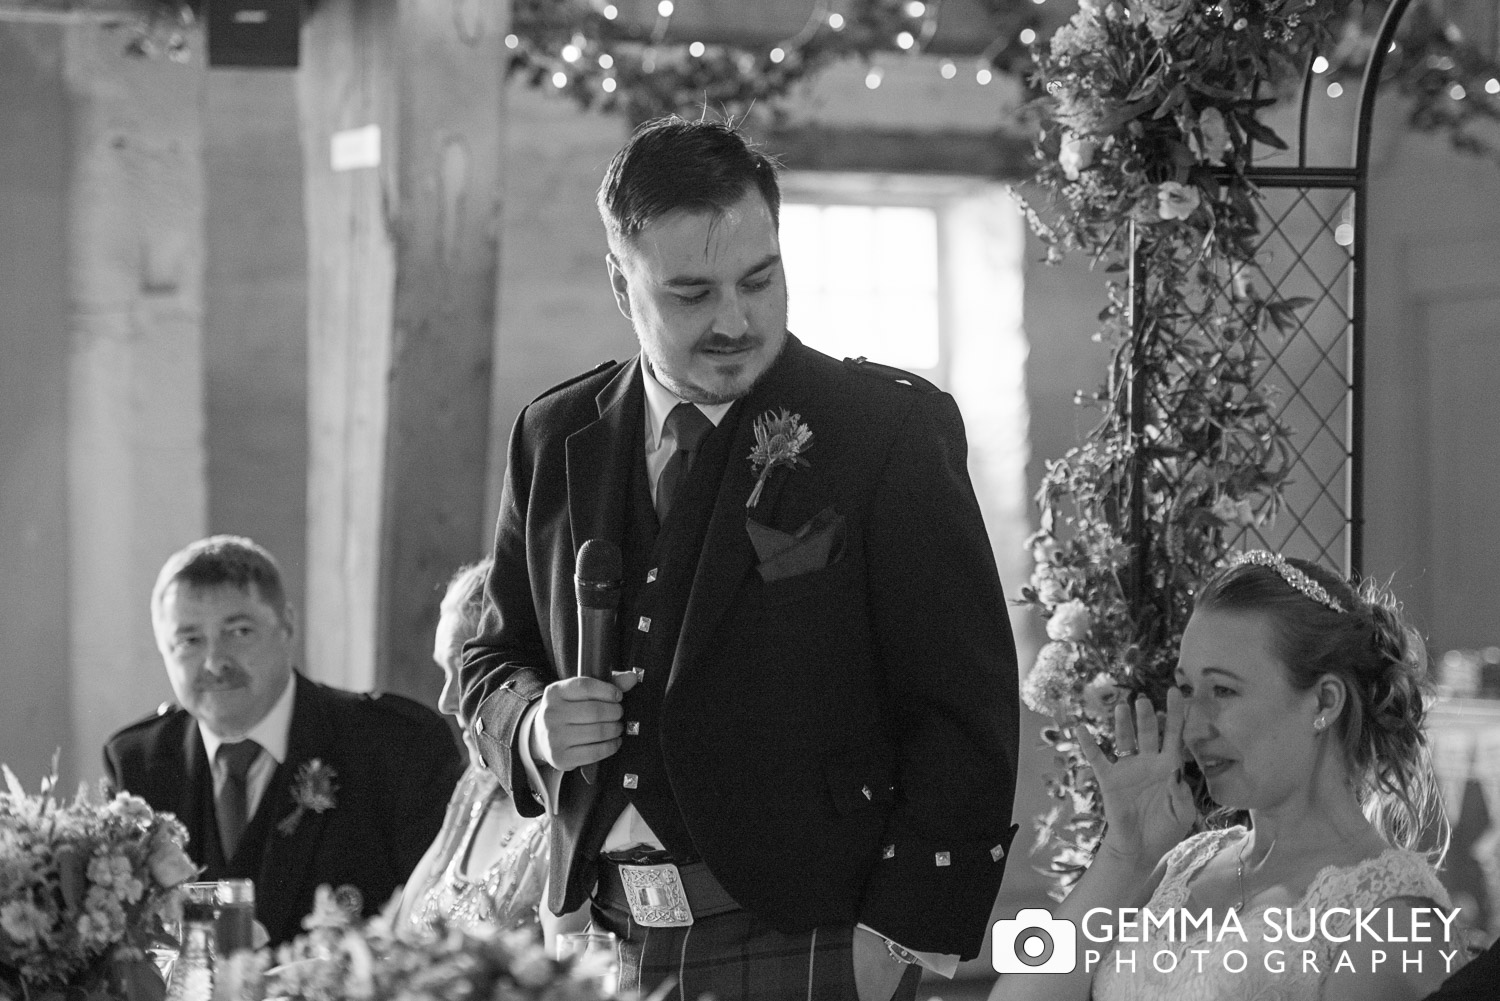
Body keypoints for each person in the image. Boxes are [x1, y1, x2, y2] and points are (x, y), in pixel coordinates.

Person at [461, 116, 1020, 1001]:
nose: (735, 319)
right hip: (599, 938)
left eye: (759, 280)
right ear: (621, 282)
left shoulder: (885, 431)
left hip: (813, 934)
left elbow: (965, 705)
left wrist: (902, 934)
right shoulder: (555, 433)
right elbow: (491, 655)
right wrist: (532, 727)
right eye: (690, 294)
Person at [992, 550, 1460, 1001]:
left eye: (1223, 690)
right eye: (1187, 689)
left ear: (1324, 702)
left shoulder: (1391, 918)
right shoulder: (1180, 866)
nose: (1193, 728)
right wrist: (1121, 859)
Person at [104, 535, 464, 947]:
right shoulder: (139, 762)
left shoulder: (394, 745)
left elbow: (440, 936)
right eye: (189, 640)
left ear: (287, 625)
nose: (215, 662)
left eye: (239, 631)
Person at [393, 558, 548, 938]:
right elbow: (397, 934)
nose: (445, 701)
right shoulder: (475, 787)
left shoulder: (566, 813)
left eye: (463, 672)